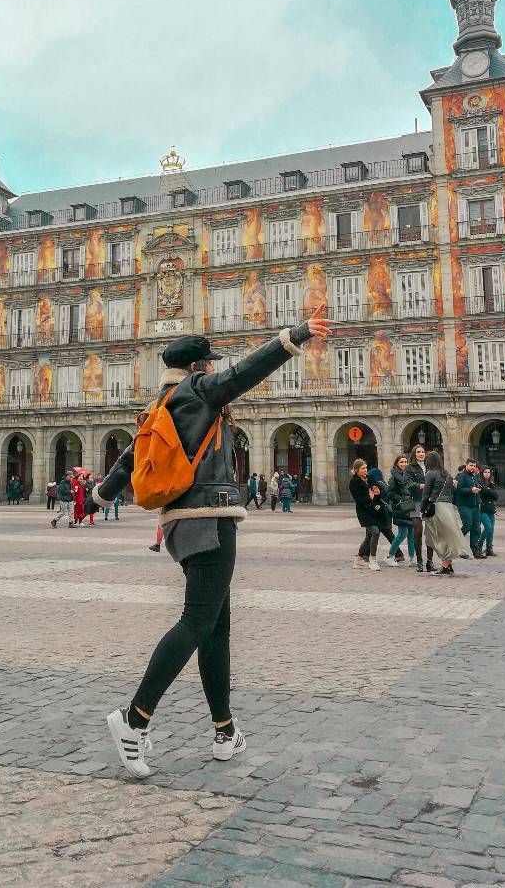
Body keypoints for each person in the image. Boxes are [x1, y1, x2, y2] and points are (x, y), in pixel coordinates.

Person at [97, 309, 331, 779]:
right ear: (199, 367)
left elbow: (129, 457)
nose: (213, 369)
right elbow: (244, 373)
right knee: (197, 621)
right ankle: (134, 719)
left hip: (184, 523)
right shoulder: (197, 391)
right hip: (209, 520)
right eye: (209, 363)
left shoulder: (161, 401)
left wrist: (100, 494)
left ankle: (225, 729)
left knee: (215, 627)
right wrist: (294, 336)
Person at [420, 450, 470, 575]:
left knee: (439, 536)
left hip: (437, 507)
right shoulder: (447, 474)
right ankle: (448, 564)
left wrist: (422, 510)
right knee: (447, 535)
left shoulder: (430, 473)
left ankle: (445, 566)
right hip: (447, 507)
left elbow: (426, 495)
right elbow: (452, 491)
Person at [350, 460, 389, 571]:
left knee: (369, 537)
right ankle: (373, 560)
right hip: (364, 512)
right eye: (362, 468)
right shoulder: (354, 482)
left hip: (374, 510)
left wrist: (377, 493)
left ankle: (359, 560)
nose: (365, 470)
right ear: (356, 470)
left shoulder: (369, 478)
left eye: (366, 468)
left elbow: (377, 489)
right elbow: (358, 499)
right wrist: (369, 498)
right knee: (375, 532)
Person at [384, 455, 416, 566]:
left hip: (411, 507)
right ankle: (390, 556)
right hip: (401, 508)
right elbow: (390, 493)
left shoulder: (409, 475)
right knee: (402, 534)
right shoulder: (394, 477)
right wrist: (401, 500)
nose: (404, 464)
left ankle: (412, 559)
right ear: (397, 463)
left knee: (412, 535)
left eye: (405, 462)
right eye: (401, 462)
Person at [405, 445, 427, 574]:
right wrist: (420, 485)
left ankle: (429, 561)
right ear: (414, 454)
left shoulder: (429, 466)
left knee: (430, 532)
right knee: (418, 531)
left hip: (429, 501)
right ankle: (419, 561)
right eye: (418, 452)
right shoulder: (409, 467)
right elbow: (407, 483)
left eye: (423, 452)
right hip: (416, 501)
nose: (421, 454)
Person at [455, 458, 483, 559]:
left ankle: (476, 551)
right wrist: (470, 490)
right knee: (467, 525)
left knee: (476, 528)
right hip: (464, 505)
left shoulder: (474, 476)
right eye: (471, 465)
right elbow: (458, 490)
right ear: (466, 465)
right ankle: (456, 543)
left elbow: (477, 489)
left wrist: (479, 501)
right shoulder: (460, 476)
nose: (473, 467)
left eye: (474, 466)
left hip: (475, 505)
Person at [478, 466, 498, 557]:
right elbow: (484, 492)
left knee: (491, 529)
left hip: (490, 508)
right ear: (482, 473)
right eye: (485, 472)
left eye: (489, 472)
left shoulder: (491, 483)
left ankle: (489, 548)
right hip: (482, 508)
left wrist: (489, 491)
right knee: (488, 527)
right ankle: (479, 544)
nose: (487, 474)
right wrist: (489, 491)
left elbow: (495, 496)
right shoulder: (478, 482)